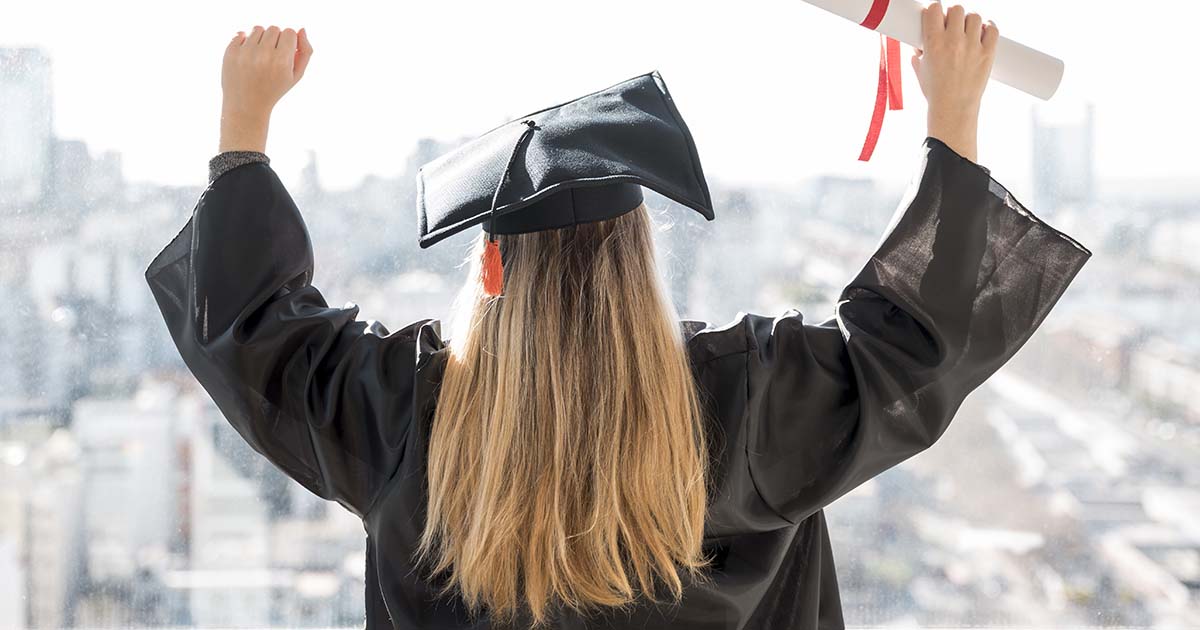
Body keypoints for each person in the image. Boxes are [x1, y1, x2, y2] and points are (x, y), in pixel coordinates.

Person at [144, 4, 1092, 629]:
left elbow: (254, 331)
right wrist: (953, 120)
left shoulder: (405, 415)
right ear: (638, 264)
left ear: (493, 261)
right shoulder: (745, 403)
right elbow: (910, 344)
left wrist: (245, 129)